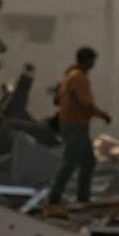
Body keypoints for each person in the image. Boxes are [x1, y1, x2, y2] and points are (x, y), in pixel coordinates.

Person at [47, 47, 112, 205]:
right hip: (75, 125)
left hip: (71, 123)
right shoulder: (79, 78)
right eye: (93, 61)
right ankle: (54, 197)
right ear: (88, 61)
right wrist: (102, 115)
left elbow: (57, 99)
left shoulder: (69, 75)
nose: (94, 65)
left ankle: (83, 198)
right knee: (70, 161)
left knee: (88, 161)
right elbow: (86, 103)